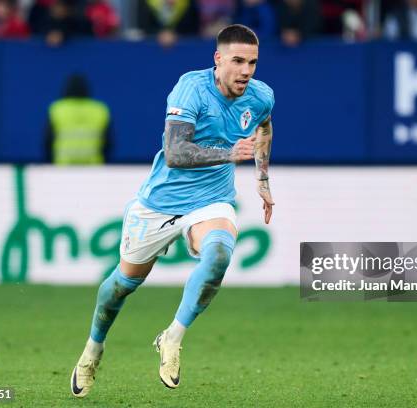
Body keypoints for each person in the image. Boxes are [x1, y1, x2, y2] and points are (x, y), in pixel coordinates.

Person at [70, 23, 274, 396]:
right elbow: (177, 153)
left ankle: (172, 337)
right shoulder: (191, 88)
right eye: (238, 61)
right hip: (159, 203)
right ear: (218, 59)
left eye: (253, 62)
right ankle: (93, 348)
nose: (246, 70)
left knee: (218, 254)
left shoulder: (261, 95)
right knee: (120, 286)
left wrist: (262, 180)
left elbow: (264, 126)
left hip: (211, 200)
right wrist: (231, 153)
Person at [46, 74, 112, 165]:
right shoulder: (100, 110)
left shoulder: (57, 109)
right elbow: (109, 143)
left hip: (62, 167)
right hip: (94, 168)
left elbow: (47, 141)